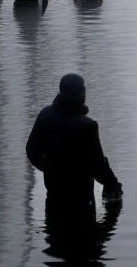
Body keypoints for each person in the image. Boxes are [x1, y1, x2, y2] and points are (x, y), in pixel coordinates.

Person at [26, 73, 122, 208]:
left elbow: (31, 150)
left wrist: (49, 168)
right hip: (81, 199)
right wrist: (113, 185)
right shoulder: (87, 126)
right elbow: (98, 165)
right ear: (81, 94)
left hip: (54, 195)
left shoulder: (45, 115)